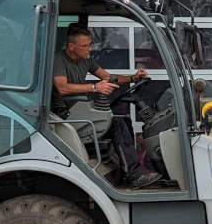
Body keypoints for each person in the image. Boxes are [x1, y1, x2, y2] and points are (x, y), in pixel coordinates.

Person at [52, 24, 161, 188]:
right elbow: (62, 88)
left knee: (123, 119)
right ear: (71, 47)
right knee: (116, 123)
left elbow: (109, 78)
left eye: (90, 44)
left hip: (80, 110)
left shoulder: (86, 60)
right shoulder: (58, 60)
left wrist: (133, 78)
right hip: (66, 116)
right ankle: (134, 175)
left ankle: (126, 169)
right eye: (84, 46)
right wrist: (95, 87)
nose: (89, 49)